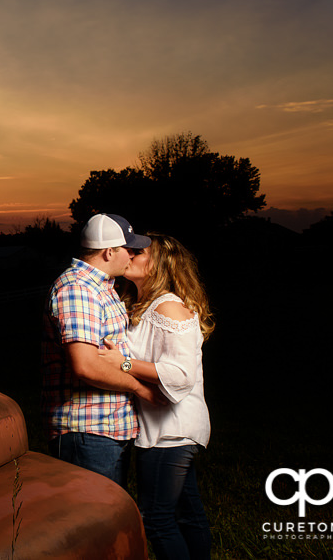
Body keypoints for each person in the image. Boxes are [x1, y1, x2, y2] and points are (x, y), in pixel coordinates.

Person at [105, 233, 213, 560]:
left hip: (172, 429)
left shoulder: (169, 306)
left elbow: (181, 375)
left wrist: (122, 363)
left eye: (139, 252)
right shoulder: (147, 305)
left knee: (156, 518)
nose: (130, 254)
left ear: (158, 265)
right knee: (188, 512)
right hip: (166, 427)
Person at [40, 213, 160, 488]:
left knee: (109, 517)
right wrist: (141, 389)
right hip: (86, 430)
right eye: (129, 249)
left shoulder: (103, 288)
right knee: (91, 520)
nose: (132, 255)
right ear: (109, 252)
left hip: (106, 428)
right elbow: (86, 366)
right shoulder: (78, 289)